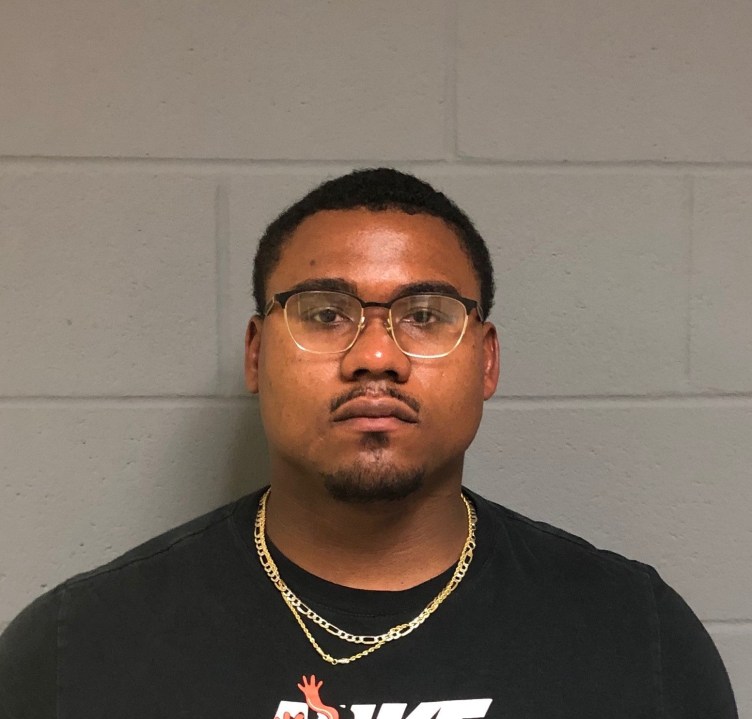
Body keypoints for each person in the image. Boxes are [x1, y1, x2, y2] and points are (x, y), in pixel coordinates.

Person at [0, 168, 737, 718]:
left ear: (486, 361)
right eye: (325, 313)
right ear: (256, 354)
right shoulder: (78, 648)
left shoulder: (635, 637)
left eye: (425, 314)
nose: (376, 356)